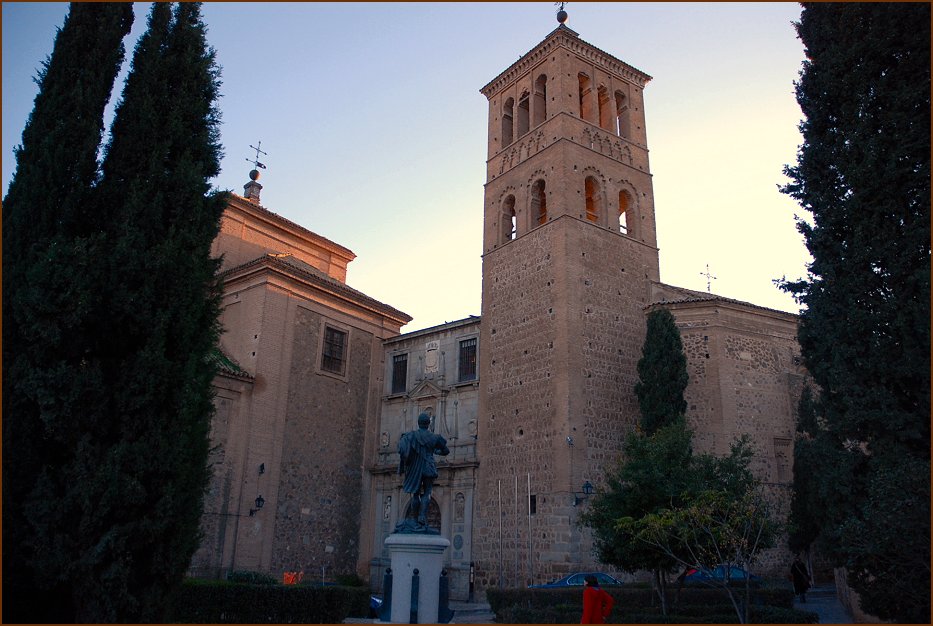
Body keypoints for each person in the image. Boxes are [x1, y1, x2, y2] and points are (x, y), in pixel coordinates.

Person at [396, 412, 450, 532]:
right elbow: (446, 451)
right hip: (428, 467)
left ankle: (415, 520)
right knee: (427, 492)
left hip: (414, 468)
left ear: (418, 423)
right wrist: (436, 451)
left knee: (414, 494)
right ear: (429, 423)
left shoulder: (411, 436)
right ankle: (422, 516)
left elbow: (401, 448)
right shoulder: (435, 438)